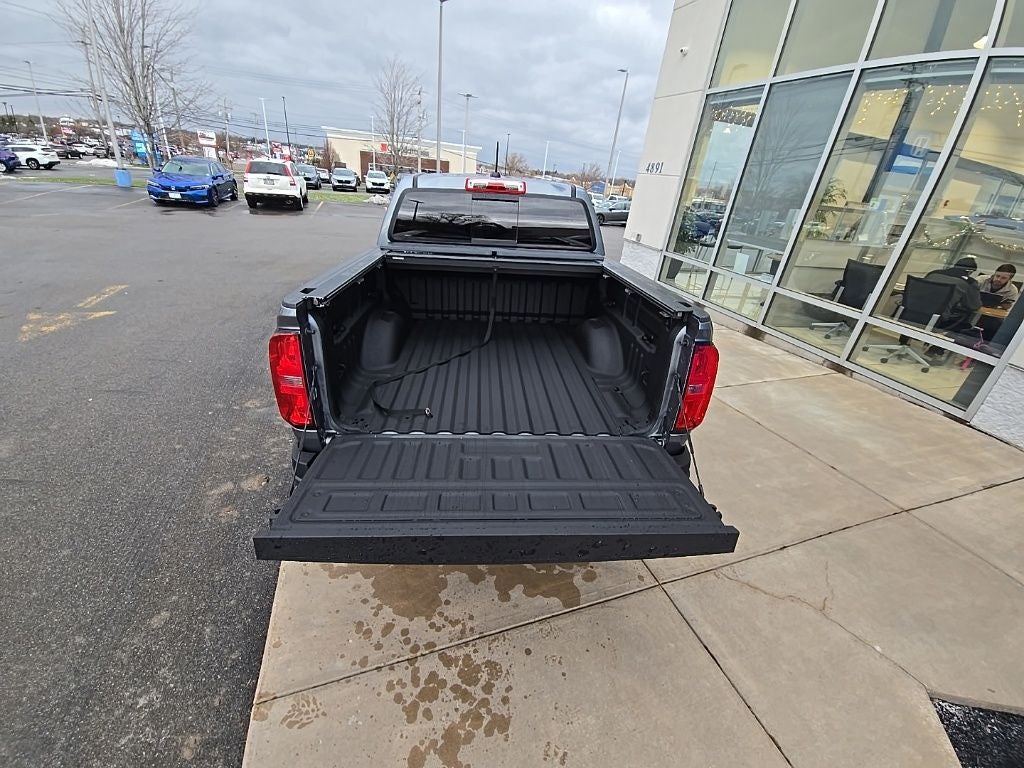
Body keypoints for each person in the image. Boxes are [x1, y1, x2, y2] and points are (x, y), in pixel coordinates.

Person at [924, 256, 982, 332]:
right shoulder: (969, 282)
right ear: (970, 272)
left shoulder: (933, 273)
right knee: (967, 324)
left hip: (913, 311)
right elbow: (974, 306)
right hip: (939, 318)